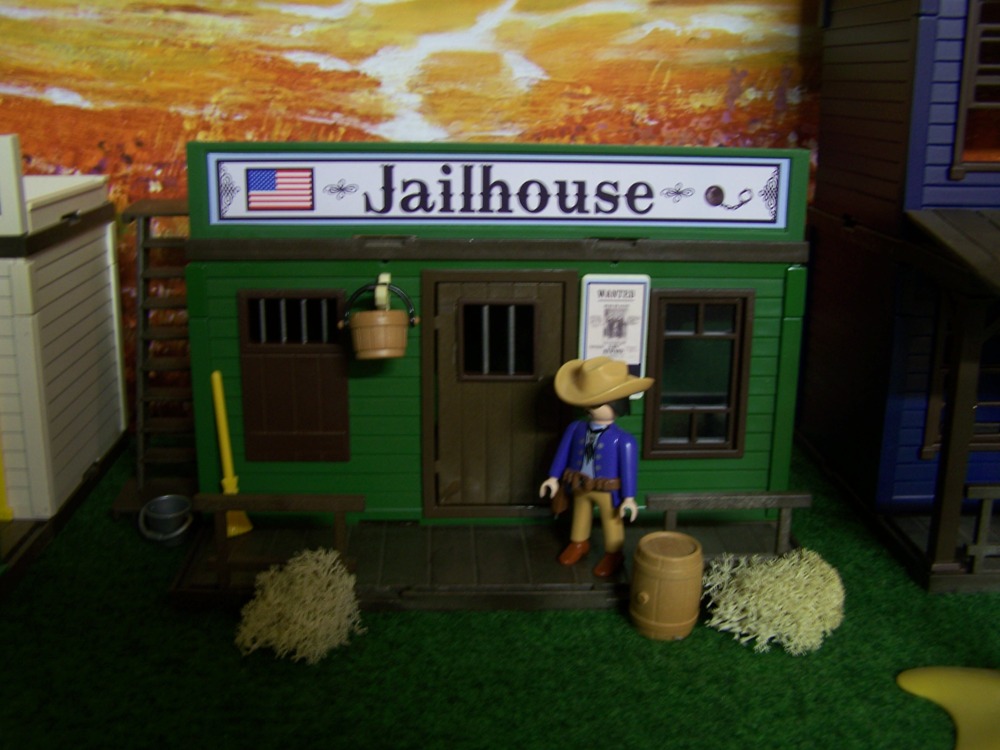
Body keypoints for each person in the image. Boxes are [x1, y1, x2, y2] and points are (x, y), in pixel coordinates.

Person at [539, 357, 653, 578]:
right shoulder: (575, 428)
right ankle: (578, 543)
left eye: (596, 403)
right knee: (580, 515)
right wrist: (553, 477)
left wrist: (629, 498)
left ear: (617, 405)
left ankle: (613, 553)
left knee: (612, 521)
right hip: (579, 483)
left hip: (607, 489)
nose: (589, 408)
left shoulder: (624, 440)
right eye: (588, 402)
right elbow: (562, 453)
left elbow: (628, 470)